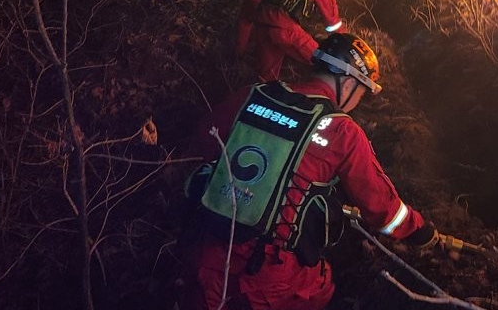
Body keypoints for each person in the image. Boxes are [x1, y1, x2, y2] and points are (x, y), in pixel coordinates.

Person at [180, 33, 442, 310]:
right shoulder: (342, 130)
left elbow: (205, 141)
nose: (358, 101)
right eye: (362, 92)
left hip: (205, 247)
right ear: (349, 82)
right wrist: (419, 231)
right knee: (321, 288)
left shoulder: (254, 93)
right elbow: (381, 207)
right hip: (269, 274)